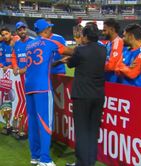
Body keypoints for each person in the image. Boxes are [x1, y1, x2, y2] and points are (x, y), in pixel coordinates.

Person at [25, 19, 73, 166]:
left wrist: (58, 62)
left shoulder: (29, 45)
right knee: (45, 122)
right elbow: (71, 51)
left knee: (33, 123)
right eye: (49, 29)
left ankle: (35, 156)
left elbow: (44, 62)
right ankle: (45, 160)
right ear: (45, 31)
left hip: (28, 86)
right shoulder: (49, 42)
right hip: (42, 87)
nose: (51, 31)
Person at [66, 24, 106, 166]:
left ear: (86, 36)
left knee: (82, 131)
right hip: (98, 95)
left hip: (82, 95)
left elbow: (70, 64)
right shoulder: (103, 49)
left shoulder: (80, 50)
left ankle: (82, 163)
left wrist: (77, 48)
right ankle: (90, 161)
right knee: (93, 130)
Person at [102, 18, 123, 82]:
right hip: (107, 77)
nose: (103, 33)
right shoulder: (108, 43)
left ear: (112, 29)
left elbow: (111, 66)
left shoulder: (118, 43)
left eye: (105, 30)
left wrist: (97, 66)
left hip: (113, 80)